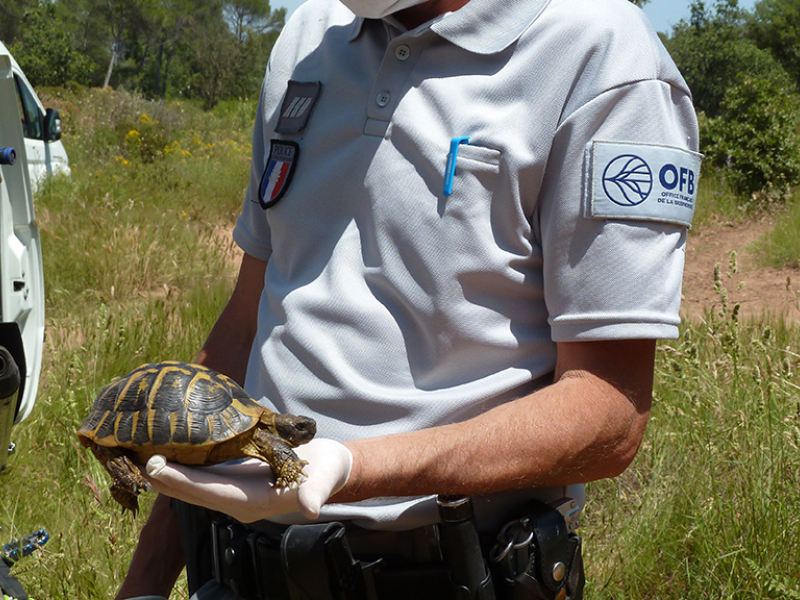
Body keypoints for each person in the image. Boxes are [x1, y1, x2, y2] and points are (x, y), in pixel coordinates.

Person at [115, 0, 701, 597]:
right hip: (240, 570)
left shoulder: (598, 50)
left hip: (449, 573)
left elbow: (609, 413)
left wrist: (351, 467)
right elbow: (245, 326)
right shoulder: (310, 34)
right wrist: (146, 584)